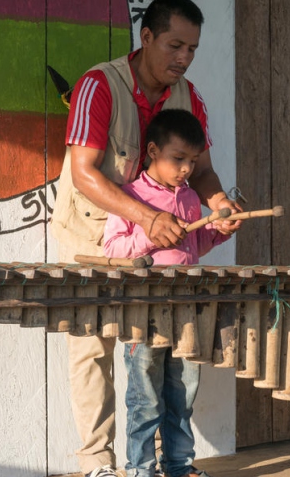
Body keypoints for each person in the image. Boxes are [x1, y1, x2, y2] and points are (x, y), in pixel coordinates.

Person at [50, 0, 242, 477]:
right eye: (175, 45)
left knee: (162, 359)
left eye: (193, 49)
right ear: (147, 37)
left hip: (163, 249)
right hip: (93, 238)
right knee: (93, 347)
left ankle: (167, 462)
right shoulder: (98, 85)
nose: (184, 58)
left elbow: (204, 173)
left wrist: (218, 205)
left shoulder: (190, 98)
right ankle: (97, 463)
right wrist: (146, 219)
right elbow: (85, 173)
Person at [103, 109, 227, 477]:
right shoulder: (131, 197)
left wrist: (220, 229)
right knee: (145, 400)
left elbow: (192, 246)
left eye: (192, 160)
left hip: (186, 311)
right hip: (144, 314)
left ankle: (179, 466)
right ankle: (140, 469)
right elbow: (113, 248)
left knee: (183, 395)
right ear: (153, 151)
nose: (187, 169)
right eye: (179, 159)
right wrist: (148, 231)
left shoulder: (189, 198)